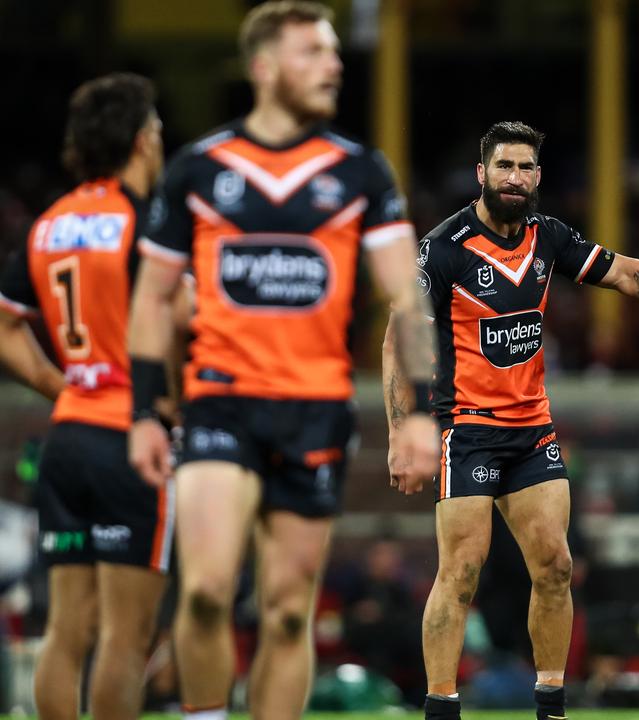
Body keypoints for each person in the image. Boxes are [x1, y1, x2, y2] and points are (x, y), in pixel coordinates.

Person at [382, 120, 639, 720]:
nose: (516, 177)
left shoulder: (548, 236)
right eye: (504, 166)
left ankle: (551, 707)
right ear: (482, 174)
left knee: (557, 566)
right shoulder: (444, 248)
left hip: (532, 429)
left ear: (538, 176)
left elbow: (624, 272)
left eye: (526, 167)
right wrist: (400, 430)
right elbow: (398, 335)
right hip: (468, 430)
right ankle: (441, 708)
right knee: (459, 571)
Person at [125, 3, 440, 718]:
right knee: (204, 591)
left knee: (289, 613)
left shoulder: (360, 172)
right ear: (265, 67)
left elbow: (408, 298)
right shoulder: (200, 170)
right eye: (312, 52)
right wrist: (145, 411)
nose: (333, 65)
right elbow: (149, 302)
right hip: (219, 402)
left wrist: (421, 412)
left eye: (333, 52)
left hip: (315, 410)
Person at [0, 72, 168, 720]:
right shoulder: (146, 220)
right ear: (137, 139)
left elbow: (7, 324)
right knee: (125, 638)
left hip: (67, 440)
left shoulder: (50, 223)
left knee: (67, 632)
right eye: (153, 128)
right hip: (131, 437)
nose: (158, 141)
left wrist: (58, 384)